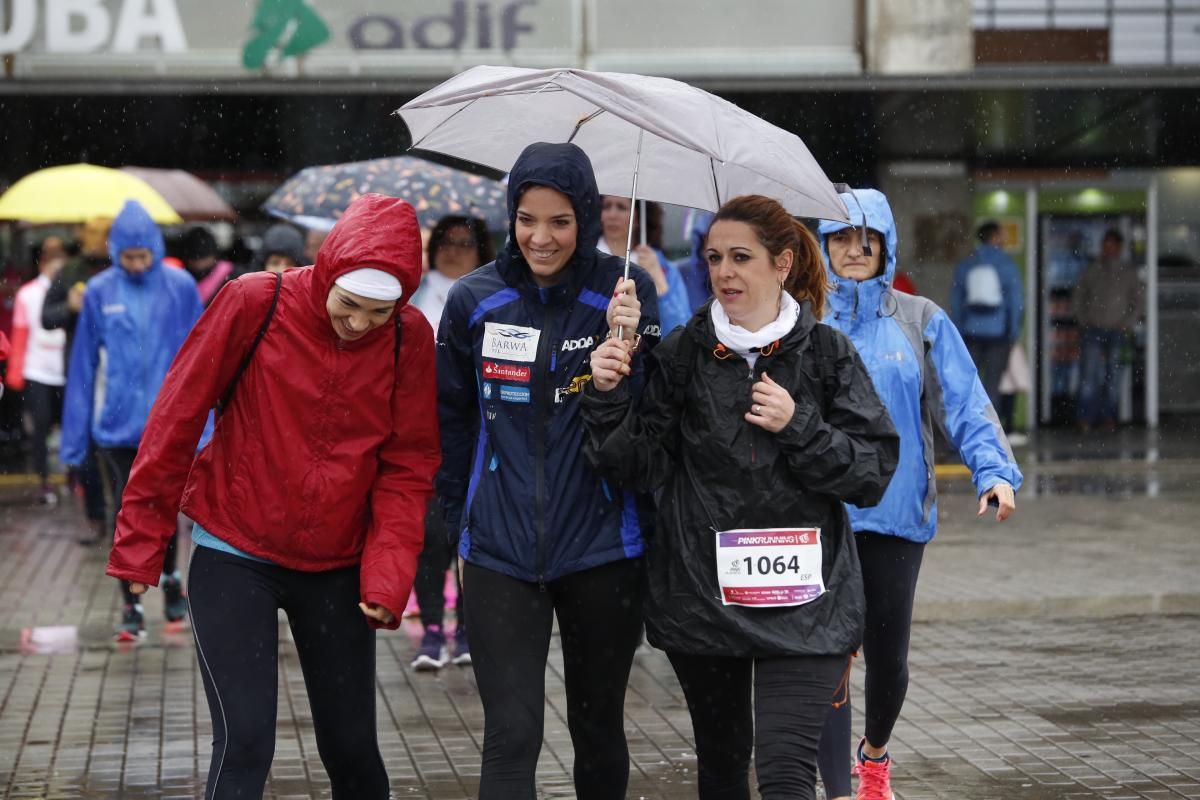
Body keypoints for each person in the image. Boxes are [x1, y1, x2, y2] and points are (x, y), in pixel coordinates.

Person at [106, 193, 440, 799]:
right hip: (234, 548)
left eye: (378, 312)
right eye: (348, 305)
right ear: (329, 272)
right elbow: (176, 419)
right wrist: (140, 548)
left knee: (353, 749)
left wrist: (387, 577)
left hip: (338, 564)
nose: (360, 323)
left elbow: (408, 463)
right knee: (246, 742)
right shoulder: (255, 301)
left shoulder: (408, 337)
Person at [582, 193, 898, 799]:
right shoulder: (682, 353)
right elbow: (635, 465)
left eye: (740, 258)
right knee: (723, 771)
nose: (723, 272)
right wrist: (606, 392)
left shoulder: (827, 354)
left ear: (782, 264)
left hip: (807, 602)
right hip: (703, 600)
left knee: (784, 773)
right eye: (713, 257)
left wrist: (798, 424)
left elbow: (871, 471)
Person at [437, 142, 660, 799]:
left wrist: (632, 349)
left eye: (560, 220)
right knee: (511, 733)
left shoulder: (622, 292)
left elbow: (654, 423)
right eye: (527, 218)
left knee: (598, 728)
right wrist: (449, 518)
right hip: (499, 550)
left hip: (603, 548)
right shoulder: (473, 300)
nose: (541, 236)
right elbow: (449, 421)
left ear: (587, 219)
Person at [816, 189, 1023, 800]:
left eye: (867, 239)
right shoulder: (801, 317)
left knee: (888, 661)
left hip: (897, 514)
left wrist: (994, 472)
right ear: (823, 246)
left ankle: (874, 756)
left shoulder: (921, 317)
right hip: (820, 515)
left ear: (885, 245)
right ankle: (833, 787)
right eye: (842, 238)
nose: (855, 251)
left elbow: (964, 400)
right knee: (825, 657)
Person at [60, 200, 206, 640]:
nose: (138, 265)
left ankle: (171, 580)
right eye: (129, 257)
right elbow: (83, 363)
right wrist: (74, 436)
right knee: (130, 511)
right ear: (116, 252)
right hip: (117, 427)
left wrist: (208, 425)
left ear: (157, 250)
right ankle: (131, 603)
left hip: (168, 425)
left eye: (144, 256)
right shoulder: (100, 291)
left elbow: (201, 355)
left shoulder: (180, 286)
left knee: (160, 508)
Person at [409, 214, 494, 671]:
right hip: (425, 431)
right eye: (446, 241)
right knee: (428, 534)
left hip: (479, 430)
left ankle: (465, 627)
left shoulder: (492, 293)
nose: (454, 250)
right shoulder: (416, 293)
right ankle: (432, 630)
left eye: (465, 242)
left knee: (469, 529)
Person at [42, 220, 110, 545]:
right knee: (86, 451)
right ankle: (96, 517)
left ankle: (122, 518)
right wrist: (68, 307)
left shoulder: (125, 270)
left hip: (117, 375)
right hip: (81, 371)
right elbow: (46, 317)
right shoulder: (69, 272)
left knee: (120, 451)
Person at [5, 237, 68, 505]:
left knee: (67, 427)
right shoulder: (27, 294)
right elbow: (19, 336)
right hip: (37, 370)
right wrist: (15, 372)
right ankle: (44, 481)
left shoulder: (71, 291)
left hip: (65, 371)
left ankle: (71, 477)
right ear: (42, 263)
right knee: (40, 427)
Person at [950, 221, 1024, 410]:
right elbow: (1016, 301)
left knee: (968, 384)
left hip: (971, 332)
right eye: (1000, 235)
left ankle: (966, 430)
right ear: (995, 237)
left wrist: (960, 328)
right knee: (992, 385)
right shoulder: (1006, 264)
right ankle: (990, 431)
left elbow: (956, 298)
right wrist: (1013, 330)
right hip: (998, 334)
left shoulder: (967, 263)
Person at [1074, 228, 1142, 432]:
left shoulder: (1129, 272)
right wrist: (1083, 320)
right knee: (1089, 376)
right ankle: (1085, 418)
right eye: (1105, 245)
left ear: (1119, 248)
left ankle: (1108, 418)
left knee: (1114, 377)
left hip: (1118, 331)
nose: (1107, 249)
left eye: (1111, 245)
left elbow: (1138, 302)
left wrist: (1126, 324)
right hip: (1093, 329)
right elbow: (1078, 297)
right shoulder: (1092, 269)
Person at [598, 195, 691, 333]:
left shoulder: (663, 267)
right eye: (607, 206)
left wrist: (658, 281)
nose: (612, 215)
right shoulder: (583, 260)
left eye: (621, 207)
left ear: (638, 217)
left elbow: (680, 331)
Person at [181, 227, 234, 305]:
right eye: (194, 259)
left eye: (202, 258)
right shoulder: (183, 276)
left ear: (213, 256)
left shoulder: (230, 276)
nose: (198, 264)